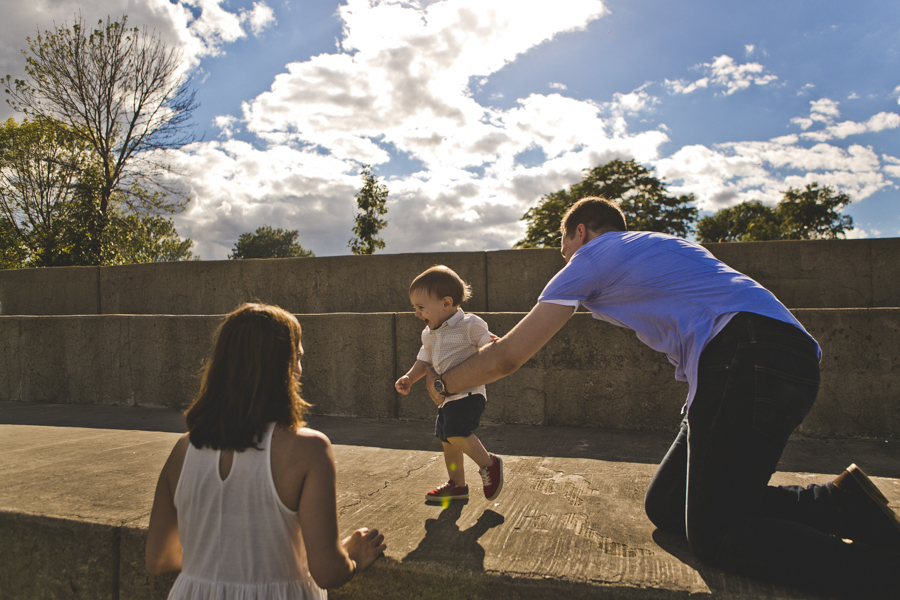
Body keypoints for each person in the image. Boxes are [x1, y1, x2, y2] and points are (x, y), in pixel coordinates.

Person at [424, 197, 900, 598]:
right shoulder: (659, 244)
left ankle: (880, 577)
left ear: (582, 232)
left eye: (563, 244)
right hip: (772, 358)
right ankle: (837, 504)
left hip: (744, 358)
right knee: (669, 505)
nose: (562, 257)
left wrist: (445, 384)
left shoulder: (590, 257)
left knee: (717, 534)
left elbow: (511, 357)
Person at [146, 303, 386, 599]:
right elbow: (326, 571)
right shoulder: (309, 448)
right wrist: (351, 557)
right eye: (296, 357)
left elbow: (158, 559)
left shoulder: (184, 448)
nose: (300, 369)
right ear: (281, 367)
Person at [395, 265, 504, 503]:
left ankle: (489, 463)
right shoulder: (429, 333)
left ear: (446, 303)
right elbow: (423, 360)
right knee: (447, 440)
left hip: (469, 393)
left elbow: (489, 346)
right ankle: (457, 485)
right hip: (447, 398)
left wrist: (493, 343)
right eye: (415, 308)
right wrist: (409, 378)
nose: (416, 313)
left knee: (456, 433)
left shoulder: (469, 325)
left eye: (421, 307)